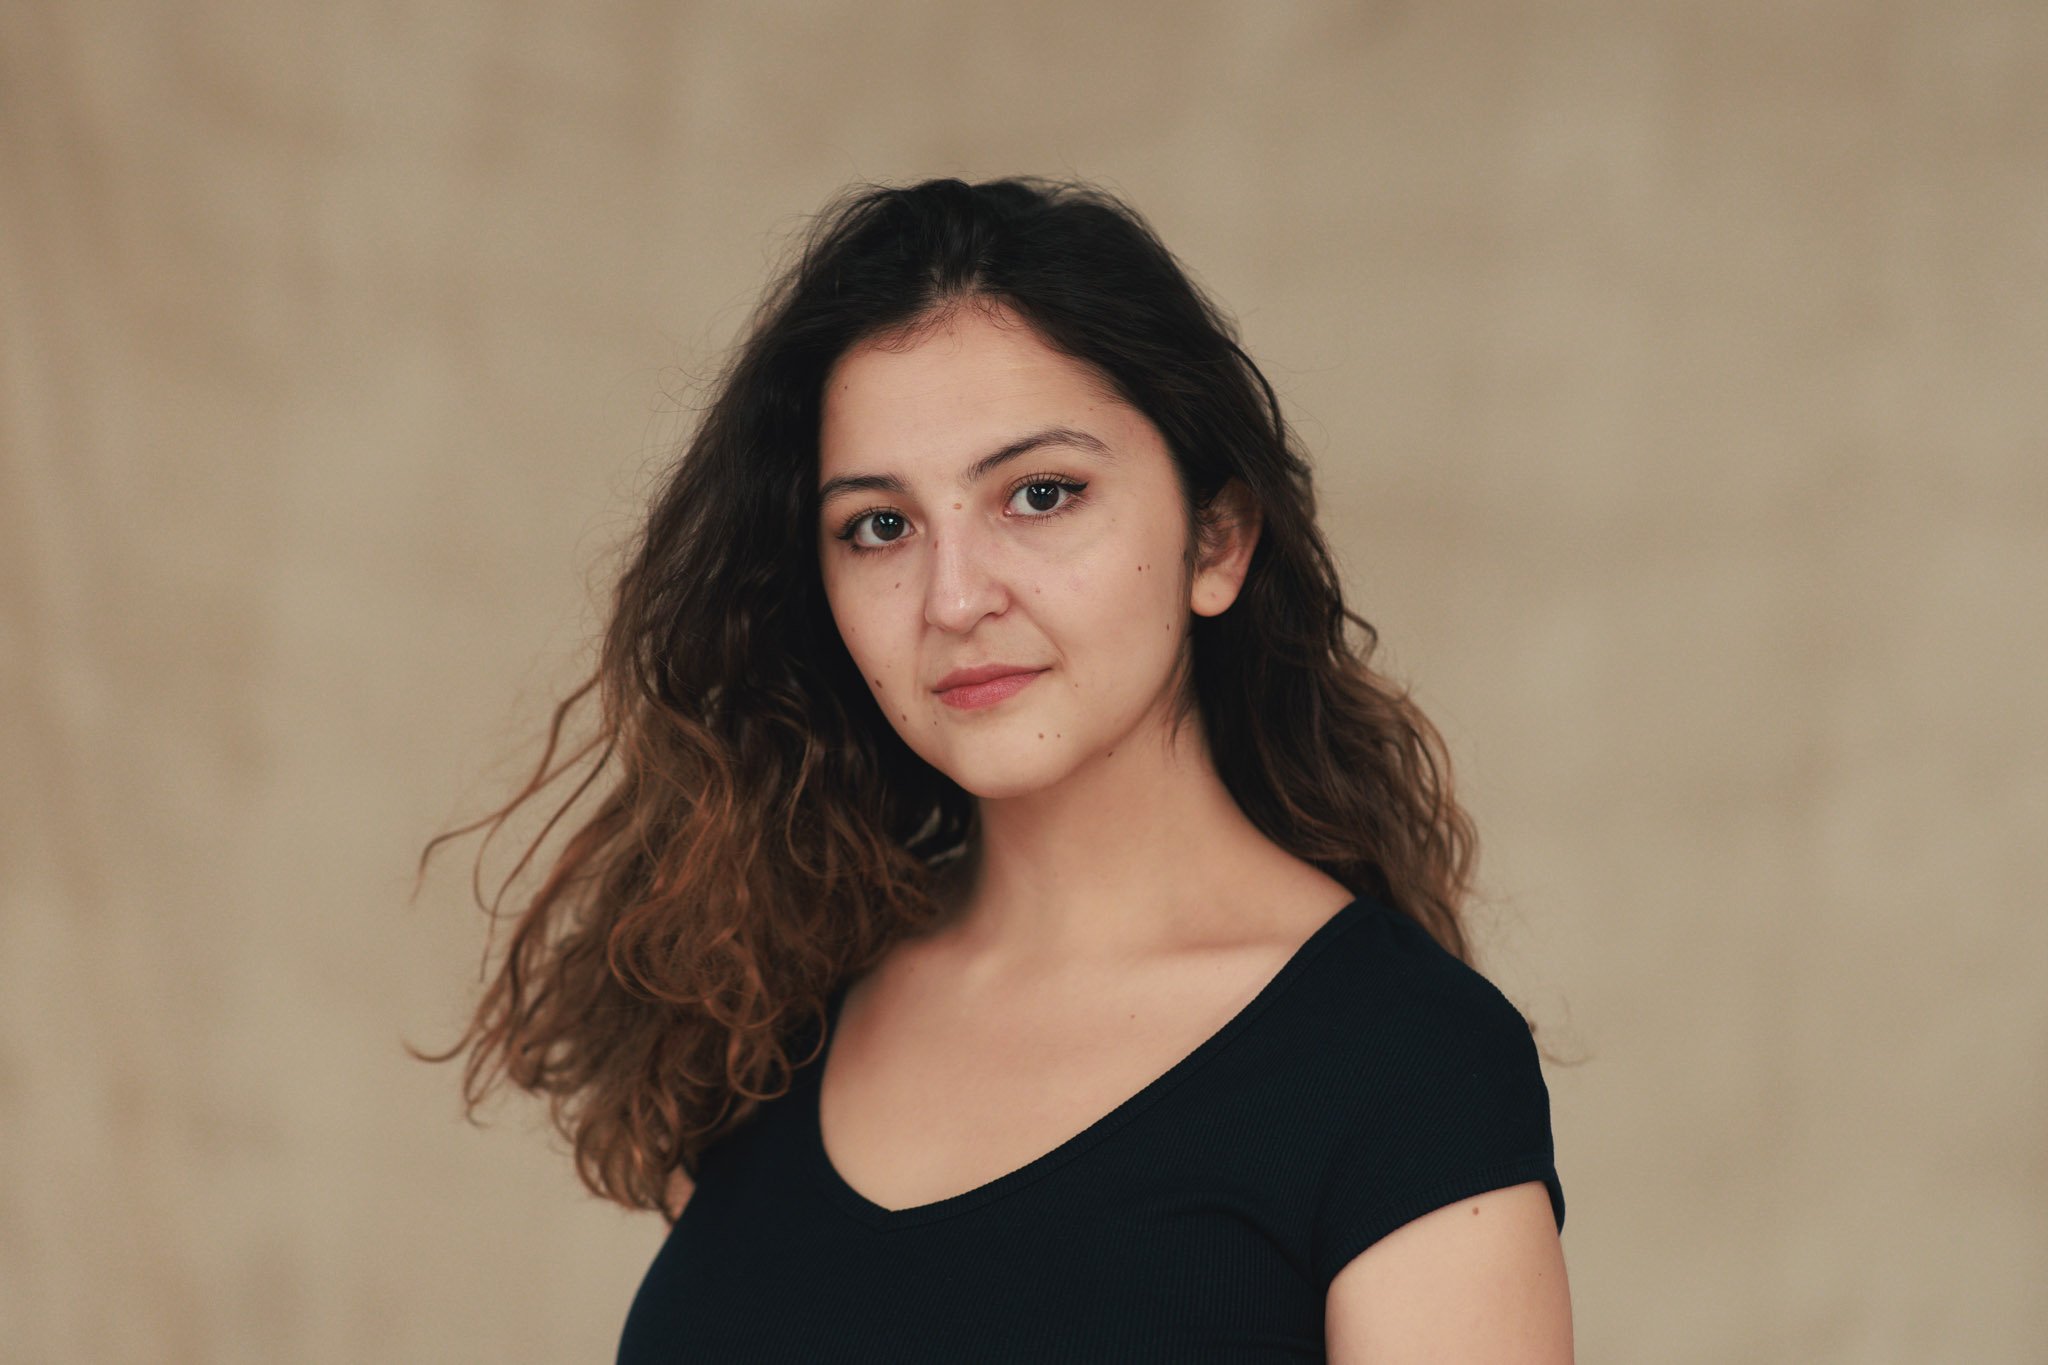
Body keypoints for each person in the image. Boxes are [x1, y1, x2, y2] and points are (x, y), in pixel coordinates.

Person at [420, 175, 1572, 1362]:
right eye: (880, 524)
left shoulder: (1401, 1066)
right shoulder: (764, 1009)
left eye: (1039, 494)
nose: (954, 598)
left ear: (1216, 541)